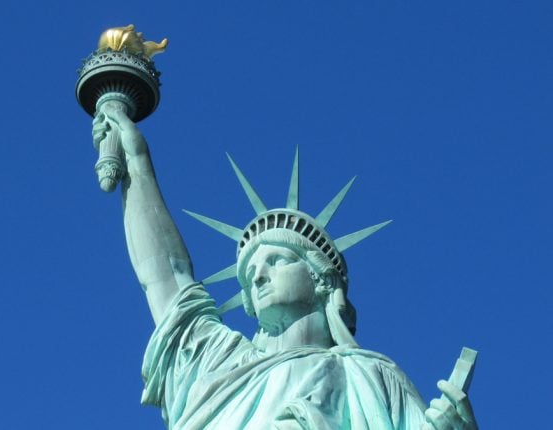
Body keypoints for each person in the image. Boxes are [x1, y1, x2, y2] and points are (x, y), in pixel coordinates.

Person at [92, 101, 478, 430]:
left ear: (321, 280)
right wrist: (138, 166)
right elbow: (166, 275)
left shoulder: (374, 379)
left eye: (278, 259)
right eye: (249, 273)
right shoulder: (218, 364)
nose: (258, 275)